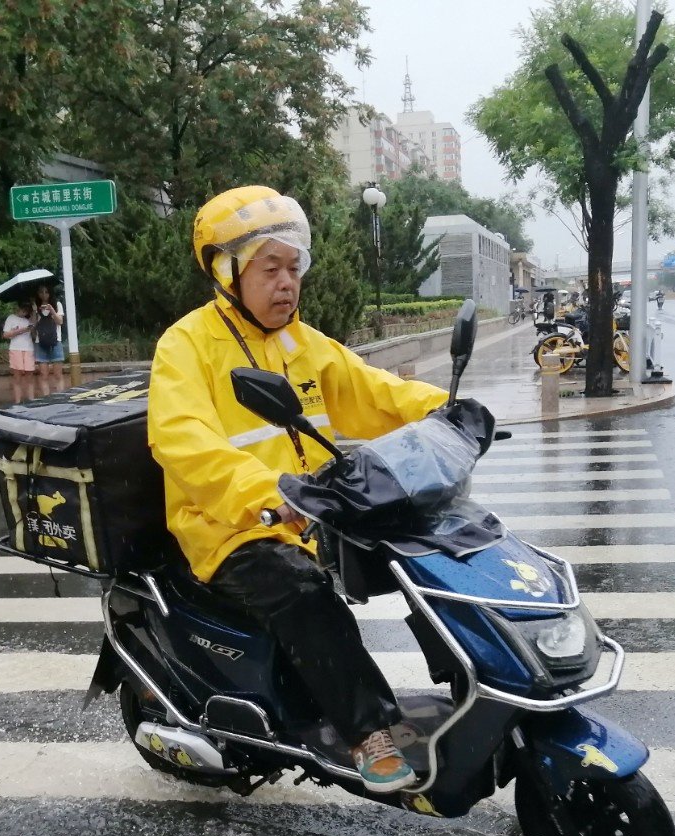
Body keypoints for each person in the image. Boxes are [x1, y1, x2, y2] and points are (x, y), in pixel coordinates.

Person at [147, 185, 450, 793]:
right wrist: (268, 494)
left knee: (424, 551)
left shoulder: (303, 344)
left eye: (294, 268)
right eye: (271, 268)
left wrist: (450, 414)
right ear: (227, 271)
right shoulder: (186, 347)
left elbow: (375, 392)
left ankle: (468, 686)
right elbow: (183, 443)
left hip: (314, 514)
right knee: (303, 587)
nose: (287, 283)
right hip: (231, 528)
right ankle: (369, 733)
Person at [2, 298, 38, 403]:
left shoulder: (30, 319)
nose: (24, 311)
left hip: (28, 348)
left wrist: (35, 311)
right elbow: (5, 334)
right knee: (17, 376)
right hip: (16, 348)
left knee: (29, 375)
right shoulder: (11, 318)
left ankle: (31, 400)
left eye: (27, 309)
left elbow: (34, 328)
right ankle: (18, 402)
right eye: (23, 308)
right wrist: (20, 330)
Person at [32, 283, 65, 391]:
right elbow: (32, 326)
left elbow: (60, 321)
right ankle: (46, 399)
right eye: (41, 292)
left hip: (55, 341)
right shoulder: (36, 307)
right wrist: (35, 312)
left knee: (58, 374)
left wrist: (51, 310)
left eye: (46, 292)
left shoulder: (57, 304)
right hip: (40, 341)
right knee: (43, 375)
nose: (44, 294)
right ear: (38, 294)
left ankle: (61, 398)